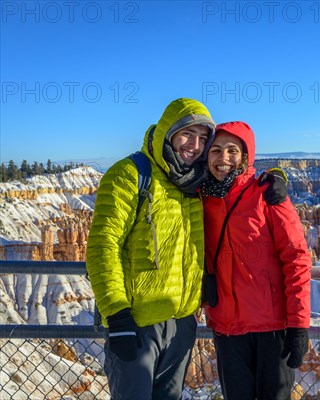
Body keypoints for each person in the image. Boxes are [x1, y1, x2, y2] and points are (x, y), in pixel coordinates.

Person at [86, 98, 216, 400]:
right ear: (168, 132)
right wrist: (117, 315)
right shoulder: (130, 174)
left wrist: (276, 174)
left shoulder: (195, 183)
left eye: (202, 138)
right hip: (137, 326)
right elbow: (103, 247)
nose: (194, 145)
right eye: (187, 133)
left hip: (182, 325)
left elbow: (238, 173)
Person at [200, 121, 312, 400]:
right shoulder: (200, 198)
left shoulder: (268, 195)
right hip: (227, 329)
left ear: (246, 156)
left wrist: (299, 325)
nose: (223, 158)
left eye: (232, 150)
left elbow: (296, 259)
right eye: (215, 150)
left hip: (272, 329)